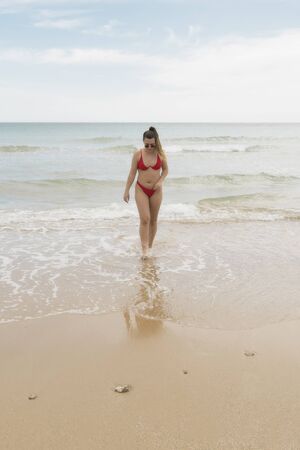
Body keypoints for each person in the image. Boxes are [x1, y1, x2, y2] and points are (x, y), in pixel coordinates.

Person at [123, 126, 168, 259]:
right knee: (145, 219)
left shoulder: (160, 153)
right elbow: (132, 173)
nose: (149, 148)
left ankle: (149, 247)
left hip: (156, 191)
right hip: (141, 189)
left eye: (152, 145)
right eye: (146, 145)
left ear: (156, 142)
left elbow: (165, 170)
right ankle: (144, 250)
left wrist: (160, 181)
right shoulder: (138, 154)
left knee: (153, 220)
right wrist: (126, 190)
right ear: (143, 142)